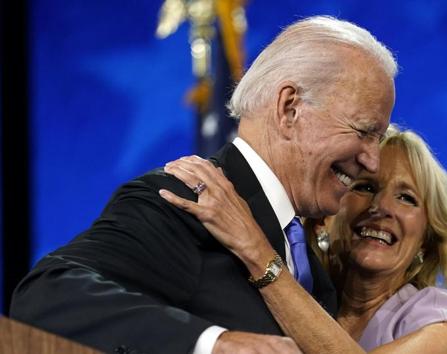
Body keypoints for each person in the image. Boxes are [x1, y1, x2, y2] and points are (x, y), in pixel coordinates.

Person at [10, 16, 396, 354]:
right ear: (289, 108)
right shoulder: (186, 199)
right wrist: (214, 343)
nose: (372, 160)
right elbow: (47, 297)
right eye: (364, 131)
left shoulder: (308, 259)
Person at [160, 126, 447, 353]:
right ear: (325, 218)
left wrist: (255, 251)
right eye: (365, 187)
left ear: (427, 238)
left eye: (407, 198)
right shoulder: (299, 290)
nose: (381, 208)